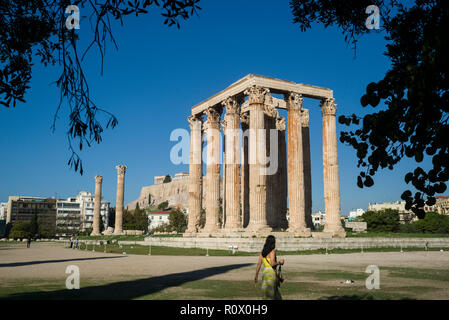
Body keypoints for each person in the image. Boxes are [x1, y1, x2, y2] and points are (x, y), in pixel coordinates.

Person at [254, 235, 284, 300]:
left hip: (265, 274)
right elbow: (272, 263)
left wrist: (256, 275)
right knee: (271, 295)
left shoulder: (262, 252)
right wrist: (279, 262)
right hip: (271, 273)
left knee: (268, 294)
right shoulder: (272, 252)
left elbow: (259, 264)